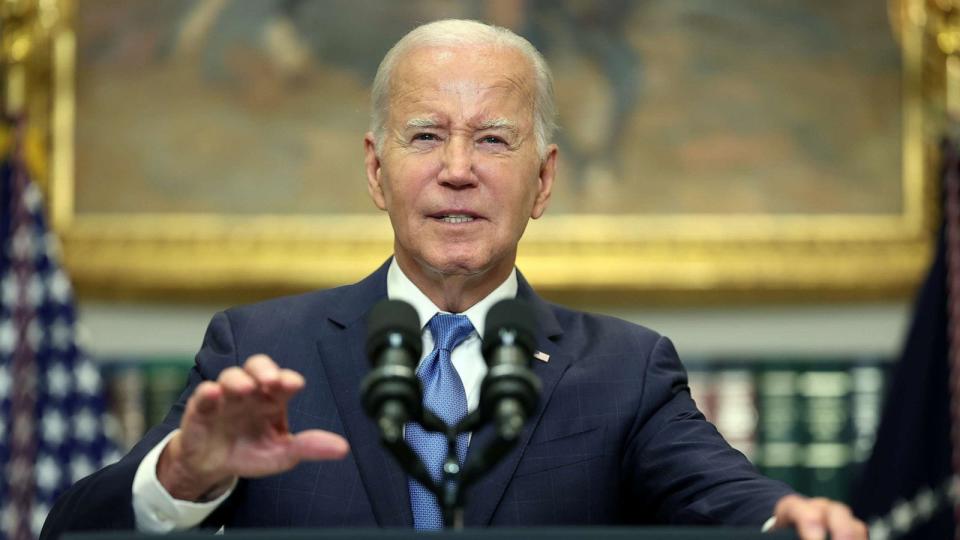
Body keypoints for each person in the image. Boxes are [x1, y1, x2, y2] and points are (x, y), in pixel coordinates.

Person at [42, 19, 867, 540]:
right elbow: (74, 532)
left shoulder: (626, 370)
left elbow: (725, 493)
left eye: (495, 141)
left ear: (543, 181)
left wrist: (785, 519)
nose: (459, 171)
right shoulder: (260, 350)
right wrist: (183, 478)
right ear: (376, 170)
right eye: (427, 136)